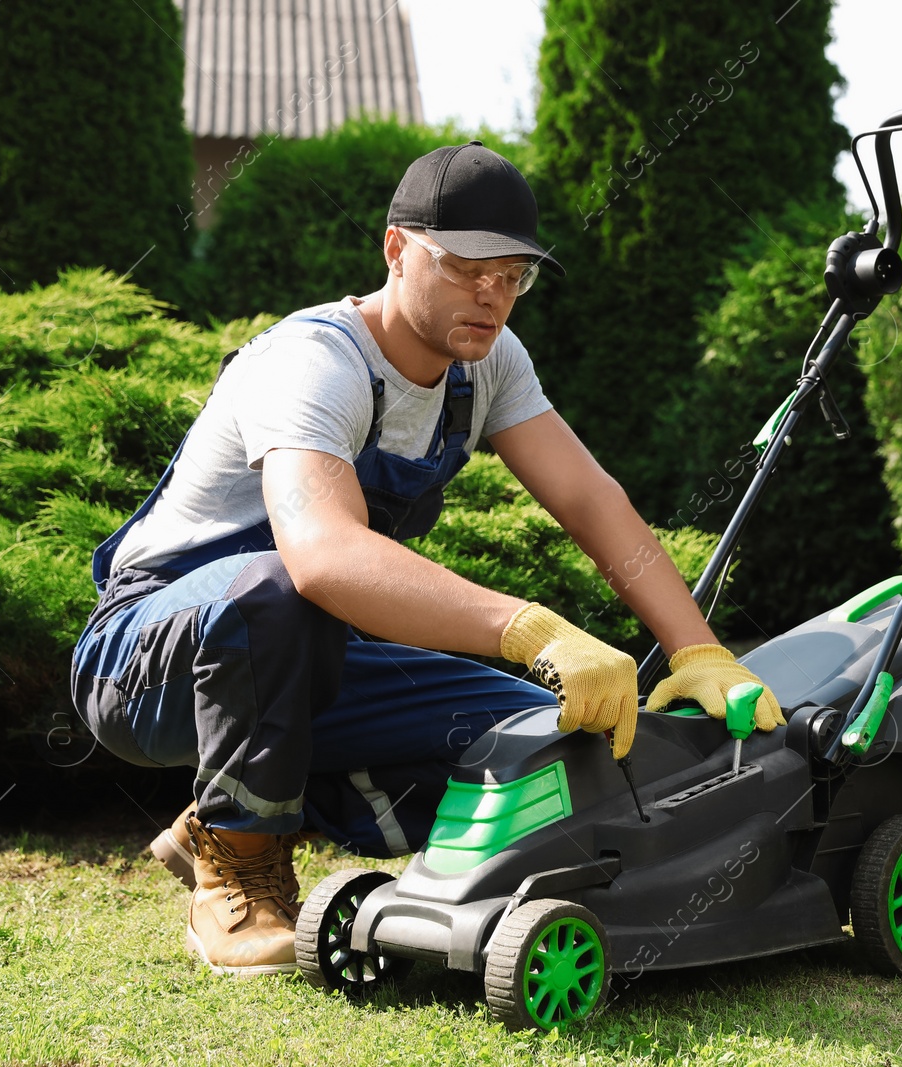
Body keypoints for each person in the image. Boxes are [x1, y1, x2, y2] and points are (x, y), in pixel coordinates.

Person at [69, 142, 783, 977]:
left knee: (530, 746)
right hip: (146, 657)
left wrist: (700, 651)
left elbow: (593, 501)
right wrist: (529, 627)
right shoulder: (314, 362)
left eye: (513, 274)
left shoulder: (487, 368)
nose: (491, 294)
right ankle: (239, 866)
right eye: (466, 267)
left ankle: (222, 818)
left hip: (314, 657)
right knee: (275, 590)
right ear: (396, 249)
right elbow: (325, 557)